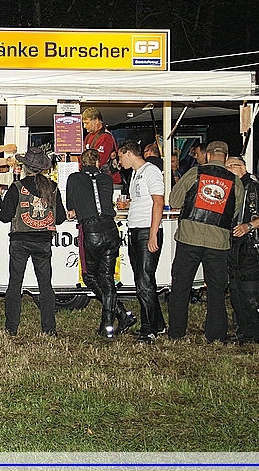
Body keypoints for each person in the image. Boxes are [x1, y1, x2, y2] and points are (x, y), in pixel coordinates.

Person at [167, 140, 244, 343]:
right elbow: (235, 212)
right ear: (225, 158)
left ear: (208, 155)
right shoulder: (235, 181)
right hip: (218, 242)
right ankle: (215, 334)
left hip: (189, 238)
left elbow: (174, 201)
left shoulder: (195, 173)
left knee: (181, 286)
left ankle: (176, 332)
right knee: (216, 290)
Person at [65, 148, 136, 338]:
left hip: (91, 230)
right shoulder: (106, 179)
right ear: (97, 163)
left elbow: (70, 208)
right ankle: (109, 322)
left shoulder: (74, 178)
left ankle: (119, 314)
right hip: (110, 228)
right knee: (107, 277)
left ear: (81, 164)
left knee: (90, 276)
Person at [0, 146, 66, 336]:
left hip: (20, 240)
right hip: (43, 241)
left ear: (24, 167)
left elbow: (5, 216)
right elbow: (59, 218)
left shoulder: (16, 188)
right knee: (45, 286)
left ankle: (11, 327)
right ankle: (49, 328)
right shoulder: (52, 187)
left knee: (15, 284)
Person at [117, 140, 167, 342]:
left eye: (121, 156)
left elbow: (158, 202)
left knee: (144, 281)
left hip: (147, 230)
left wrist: (153, 234)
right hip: (136, 229)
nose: (120, 161)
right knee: (144, 279)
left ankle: (149, 329)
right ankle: (158, 324)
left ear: (129, 153)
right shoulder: (136, 173)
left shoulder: (150, 171)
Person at [224, 155, 259, 344]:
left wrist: (249, 226)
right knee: (236, 291)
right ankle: (244, 330)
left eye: (233, 165)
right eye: (226, 166)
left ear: (243, 167)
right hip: (233, 246)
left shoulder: (253, 187)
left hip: (251, 246)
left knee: (251, 291)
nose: (229, 169)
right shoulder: (229, 189)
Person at [81, 107, 121, 184]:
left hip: (109, 182)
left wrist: (76, 163)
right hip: (97, 179)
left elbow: (98, 161)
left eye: (87, 123)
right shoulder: (89, 136)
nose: (84, 126)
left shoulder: (105, 137)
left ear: (96, 121)